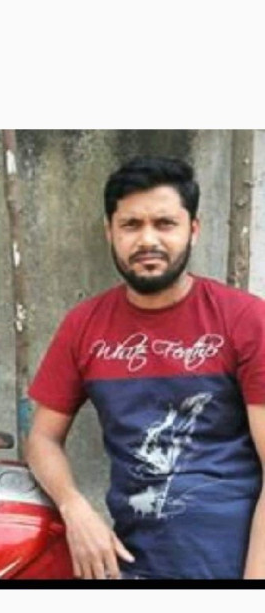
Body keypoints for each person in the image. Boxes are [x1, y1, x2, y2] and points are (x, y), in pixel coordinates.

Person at [26, 156, 265, 580]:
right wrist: (73, 506)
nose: (147, 239)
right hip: (133, 565)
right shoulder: (84, 325)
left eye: (165, 223)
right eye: (131, 225)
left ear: (193, 229)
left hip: (233, 564)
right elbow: (42, 438)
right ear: (110, 232)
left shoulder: (245, 320)